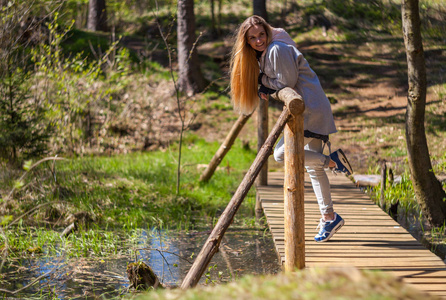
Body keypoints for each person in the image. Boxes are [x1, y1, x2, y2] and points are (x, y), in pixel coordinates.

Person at [229, 15, 353, 242]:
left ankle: (333, 162)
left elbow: (286, 82)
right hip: (312, 105)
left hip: (309, 110)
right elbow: (281, 80)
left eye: (261, 35)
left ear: (267, 32)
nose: (258, 41)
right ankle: (329, 216)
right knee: (313, 168)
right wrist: (265, 82)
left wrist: (263, 81)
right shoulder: (267, 50)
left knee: (280, 154)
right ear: (246, 41)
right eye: (252, 38)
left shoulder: (276, 48)